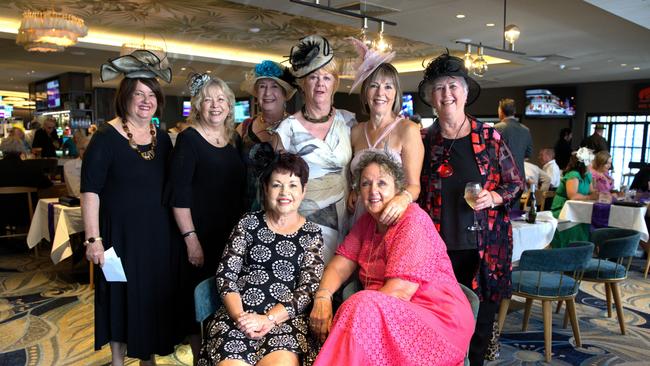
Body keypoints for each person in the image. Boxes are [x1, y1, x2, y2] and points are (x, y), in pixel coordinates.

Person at [310, 152, 474, 365]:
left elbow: (399, 292)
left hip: (437, 320)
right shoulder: (367, 222)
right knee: (357, 306)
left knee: (360, 304)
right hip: (390, 314)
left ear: (397, 189)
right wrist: (323, 297)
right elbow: (340, 265)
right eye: (366, 184)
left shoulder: (413, 221)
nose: (373, 190)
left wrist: (360, 314)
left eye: (382, 183)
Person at [417, 52, 524, 365]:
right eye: (439, 88)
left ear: (464, 92)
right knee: (439, 321)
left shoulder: (489, 137)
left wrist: (493, 198)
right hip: (437, 248)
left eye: (453, 86)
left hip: (484, 248)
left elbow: (515, 183)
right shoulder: (423, 140)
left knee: (479, 324)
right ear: (430, 98)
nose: (446, 94)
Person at [82, 50, 178, 365]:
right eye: (138, 94)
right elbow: (90, 191)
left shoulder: (162, 139)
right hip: (116, 237)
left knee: (149, 297)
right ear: (125, 97)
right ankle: (118, 360)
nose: (145, 101)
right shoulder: (105, 137)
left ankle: (147, 355)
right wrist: (93, 239)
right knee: (117, 296)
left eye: (151, 95)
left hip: (156, 237)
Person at [196, 153, 324, 366]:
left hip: (285, 321)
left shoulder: (311, 233)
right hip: (238, 316)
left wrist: (268, 319)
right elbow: (226, 275)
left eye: (293, 185)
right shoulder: (248, 223)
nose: (285, 193)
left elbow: (308, 288)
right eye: (277, 185)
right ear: (265, 188)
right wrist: (241, 318)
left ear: (303, 191)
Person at [165, 73, 247, 361]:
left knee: (225, 299)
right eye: (208, 100)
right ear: (197, 105)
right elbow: (179, 197)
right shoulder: (188, 140)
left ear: (229, 105)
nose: (215, 105)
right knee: (198, 306)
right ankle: (202, 359)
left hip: (230, 236)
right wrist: (191, 240)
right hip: (198, 237)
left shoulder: (232, 138)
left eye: (221, 99)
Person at [275, 35, 356, 263]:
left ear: (335, 83)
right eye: (313, 77)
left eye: (327, 77)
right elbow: (277, 184)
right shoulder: (287, 129)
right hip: (303, 222)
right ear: (302, 83)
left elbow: (360, 167)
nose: (320, 84)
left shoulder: (349, 122)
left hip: (347, 219)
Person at [346, 38, 424, 225]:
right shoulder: (356, 131)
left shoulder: (408, 129)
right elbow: (359, 177)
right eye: (374, 86)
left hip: (393, 215)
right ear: (365, 92)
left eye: (388, 87)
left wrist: (401, 199)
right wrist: (354, 191)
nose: (381, 93)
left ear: (396, 93)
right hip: (359, 217)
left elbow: (414, 186)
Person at [238, 60, 296, 210]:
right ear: (257, 93)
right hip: (245, 210)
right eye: (262, 86)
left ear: (285, 94)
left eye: (274, 86)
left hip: (282, 210)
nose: (267, 93)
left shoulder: (295, 127)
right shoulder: (244, 127)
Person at [0, 138, 52, 235]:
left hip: (1, 215)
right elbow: (48, 185)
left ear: (3, 150)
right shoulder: (31, 168)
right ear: (21, 151)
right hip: (27, 215)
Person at [550, 147, 598, 248]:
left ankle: (581, 252)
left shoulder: (587, 175)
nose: (592, 164)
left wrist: (599, 194)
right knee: (575, 228)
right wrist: (590, 197)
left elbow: (591, 192)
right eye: (591, 161)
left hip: (578, 210)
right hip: (564, 210)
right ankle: (567, 251)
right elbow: (573, 196)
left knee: (588, 221)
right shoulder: (574, 175)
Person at [494, 98, 532, 186]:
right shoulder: (526, 130)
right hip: (520, 178)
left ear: (501, 111)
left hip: (501, 179)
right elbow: (528, 155)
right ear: (514, 112)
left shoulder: (496, 129)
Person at [63, 133, 89, 197]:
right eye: (82, 149)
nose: (85, 151)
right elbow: (78, 193)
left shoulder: (98, 164)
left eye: (89, 148)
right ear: (78, 149)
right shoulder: (70, 165)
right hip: (78, 204)